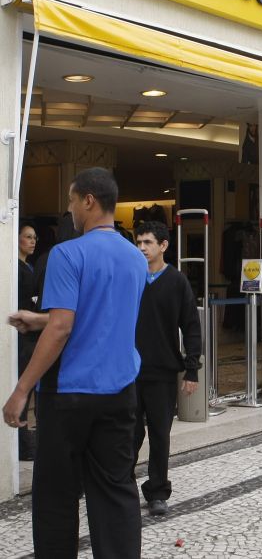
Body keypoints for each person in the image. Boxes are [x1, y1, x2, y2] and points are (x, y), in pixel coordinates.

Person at [3, 167, 147, 558]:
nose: (68, 209)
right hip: (120, 393)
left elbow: (63, 328)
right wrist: (40, 319)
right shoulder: (136, 258)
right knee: (115, 490)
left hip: (68, 396)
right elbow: (103, 315)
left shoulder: (68, 254)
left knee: (55, 495)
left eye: (70, 199)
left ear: (88, 200)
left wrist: (21, 390)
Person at [132, 220, 203, 517]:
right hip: (129, 372)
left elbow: (191, 327)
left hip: (161, 372)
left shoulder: (177, 282)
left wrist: (191, 370)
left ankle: (158, 491)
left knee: (160, 434)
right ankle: (120, 488)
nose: (142, 248)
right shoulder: (130, 277)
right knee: (128, 434)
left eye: (148, 243)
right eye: (138, 243)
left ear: (163, 246)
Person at [16, 221, 39, 461]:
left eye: (34, 238)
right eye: (28, 237)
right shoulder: (16, 269)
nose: (33, 241)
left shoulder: (28, 267)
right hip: (22, 335)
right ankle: (22, 444)